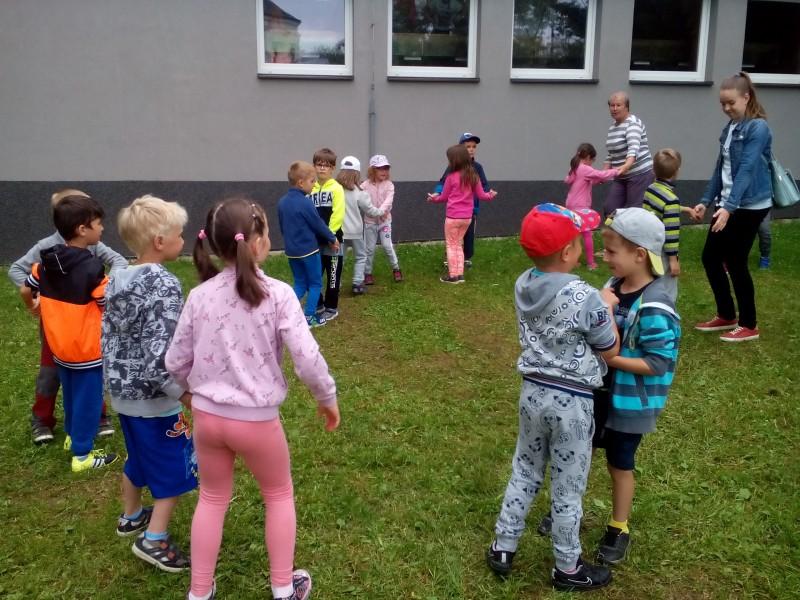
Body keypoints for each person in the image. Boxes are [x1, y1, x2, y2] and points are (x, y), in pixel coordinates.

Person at [165, 198, 341, 600]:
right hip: (257, 422)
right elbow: (307, 357)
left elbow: (175, 361)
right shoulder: (278, 295)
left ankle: (199, 592)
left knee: (211, 499)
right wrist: (326, 396)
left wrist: (188, 392)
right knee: (278, 495)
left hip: (207, 421)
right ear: (259, 242)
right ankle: (283, 589)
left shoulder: (199, 296)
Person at [486, 203, 620, 593]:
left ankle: (503, 546)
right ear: (567, 252)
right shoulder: (587, 296)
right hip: (573, 403)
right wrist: (607, 306)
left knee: (525, 469)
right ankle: (567, 566)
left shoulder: (523, 284)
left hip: (532, 393)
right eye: (579, 241)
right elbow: (609, 346)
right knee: (567, 486)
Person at [102, 195, 196, 572]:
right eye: (179, 234)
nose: (183, 239)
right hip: (156, 400)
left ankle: (131, 515)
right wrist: (184, 393)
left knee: (138, 455)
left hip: (122, 395)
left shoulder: (117, 278)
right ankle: (154, 538)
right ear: (159, 241)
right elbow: (161, 357)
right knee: (174, 467)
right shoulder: (164, 284)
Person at [594, 208, 681, 565]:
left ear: (639, 255)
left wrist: (612, 359)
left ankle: (619, 527)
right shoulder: (614, 286)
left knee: (620, 463)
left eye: (611, 251)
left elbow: (657, 362)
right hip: (597, 393)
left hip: (629, 403)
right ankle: (566, 509)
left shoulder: (655, 306)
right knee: (579, 453)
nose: (604, 257)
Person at [9, 189, 126, 445]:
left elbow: (118, 261)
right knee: (51, 373)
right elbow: (17, 271)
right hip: (55, 327)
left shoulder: (92, 246)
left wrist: (108, 282)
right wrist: (39, 300)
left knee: (87, 376)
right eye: (97, 221)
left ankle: (98, 417)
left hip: (82, 330)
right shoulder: (46, 248)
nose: (102, 227)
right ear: (79, 224)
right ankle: (42, 420)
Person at [692, 72, 773, 342]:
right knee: (711, 257)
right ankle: (726, 314)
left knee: (736, 261)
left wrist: (728, 208)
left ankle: (749, 324)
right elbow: (721, 169)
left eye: (731, 103)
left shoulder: (758, 128)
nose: (726, 108)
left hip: (749, 205)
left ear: (746, 97)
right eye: (722, 104)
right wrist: (705, 201)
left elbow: (747, 169)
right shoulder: (730, 128)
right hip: (727, 203)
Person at [277, 160, 340, 328]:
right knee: (315, 284)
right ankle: (310, 317)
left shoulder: (282, 202)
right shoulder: (305, 202)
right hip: (309, 251)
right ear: (300, 183)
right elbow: (318, 224)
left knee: (300, 284)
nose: (314, 185)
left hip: (292, 252)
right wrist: (332, 238)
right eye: (312, 181)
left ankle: (284, 312)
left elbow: (282, 227)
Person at [427, 145, 497, 284]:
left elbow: (443, 197)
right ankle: (460, 275)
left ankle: (453, 276)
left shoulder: (451, 177)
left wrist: (433, 199)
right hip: (467, 218)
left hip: (453, 217)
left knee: (451, 245)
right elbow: (482, 195)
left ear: (455, 160)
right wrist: (491, 195)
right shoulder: (473, 176)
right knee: (458, 244)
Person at [643, 148, 694, 302]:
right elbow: (671, 233)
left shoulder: (651, 189)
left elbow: (659, 208)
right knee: (668, 290)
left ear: (653, 170)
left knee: (650, 283)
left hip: (648, 247)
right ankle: (667, 311)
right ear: (677, 172)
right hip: (663, 253)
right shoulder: (671, 200)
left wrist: (685, 209)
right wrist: (673, 260)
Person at [435, 132, 490, 268]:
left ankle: (465, 258)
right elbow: (443, 182)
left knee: (468, 235)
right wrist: (437, 192)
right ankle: (451, 258)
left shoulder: (478, 168)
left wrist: (486, 193)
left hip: (471, 209)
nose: (471, 149)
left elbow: (484, 186)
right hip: (455, 211)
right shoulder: (452, 167)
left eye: (474, 147)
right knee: (453, 237)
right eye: (467, 147)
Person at [564, 143, 621, 269]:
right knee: (587, 234)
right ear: (589, 157)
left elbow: (573, 180)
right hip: (581, 206)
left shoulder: (575, 168)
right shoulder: (585, 168)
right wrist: (616, 171)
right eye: (593, 160)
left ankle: (573, 260)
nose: (592, 163)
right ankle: (591, 263)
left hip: (571, 205)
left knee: (574, 235)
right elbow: (600, 175)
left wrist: (601, 178)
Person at [337, 155, 385, 295]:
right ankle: (357, 284)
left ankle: (336, 284)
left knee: (339, 259)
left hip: (339, 232)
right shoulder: (359, 193)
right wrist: (382, 211)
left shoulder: (335, 190)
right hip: (356, 232)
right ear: (357, 174)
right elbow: (370, 210)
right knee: (360, 257)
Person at [603, 91, 654, 215]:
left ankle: (637, 228)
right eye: (612, 105)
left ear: (626, 107)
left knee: (635, 211)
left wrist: (626, 165)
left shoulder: (633, 123)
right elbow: (611, 153)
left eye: (618, 105)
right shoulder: (613, 127)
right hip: (621, 176)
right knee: (610, 208)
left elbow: (633, 148)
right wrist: (603, 173)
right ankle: (618, 228)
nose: (614, 108)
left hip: (640, 174)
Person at [309, 147, 346, 321]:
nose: (322, 168)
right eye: (319, 164)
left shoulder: (337, 188)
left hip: (333, 241)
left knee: (332, 276)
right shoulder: (311, 189)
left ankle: (331, 308)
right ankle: (318, 303)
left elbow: (338, 214)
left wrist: (330, 236)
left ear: (332, 168)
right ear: (314, 166)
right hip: (315, 241)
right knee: (314, 274)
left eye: (327, 165)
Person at [363, 154, 404, 285]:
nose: (384, 171)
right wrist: (374, 212)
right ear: (372, 170)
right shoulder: (364, 186)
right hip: (370, 222)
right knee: (369, 249)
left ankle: (396, 269)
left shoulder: (389, 185)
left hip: (384, 222)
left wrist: (381, 212)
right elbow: (362, 202)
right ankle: (367, 273)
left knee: (387, 246)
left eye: (386, 168)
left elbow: (388, 202)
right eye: (380, 168)